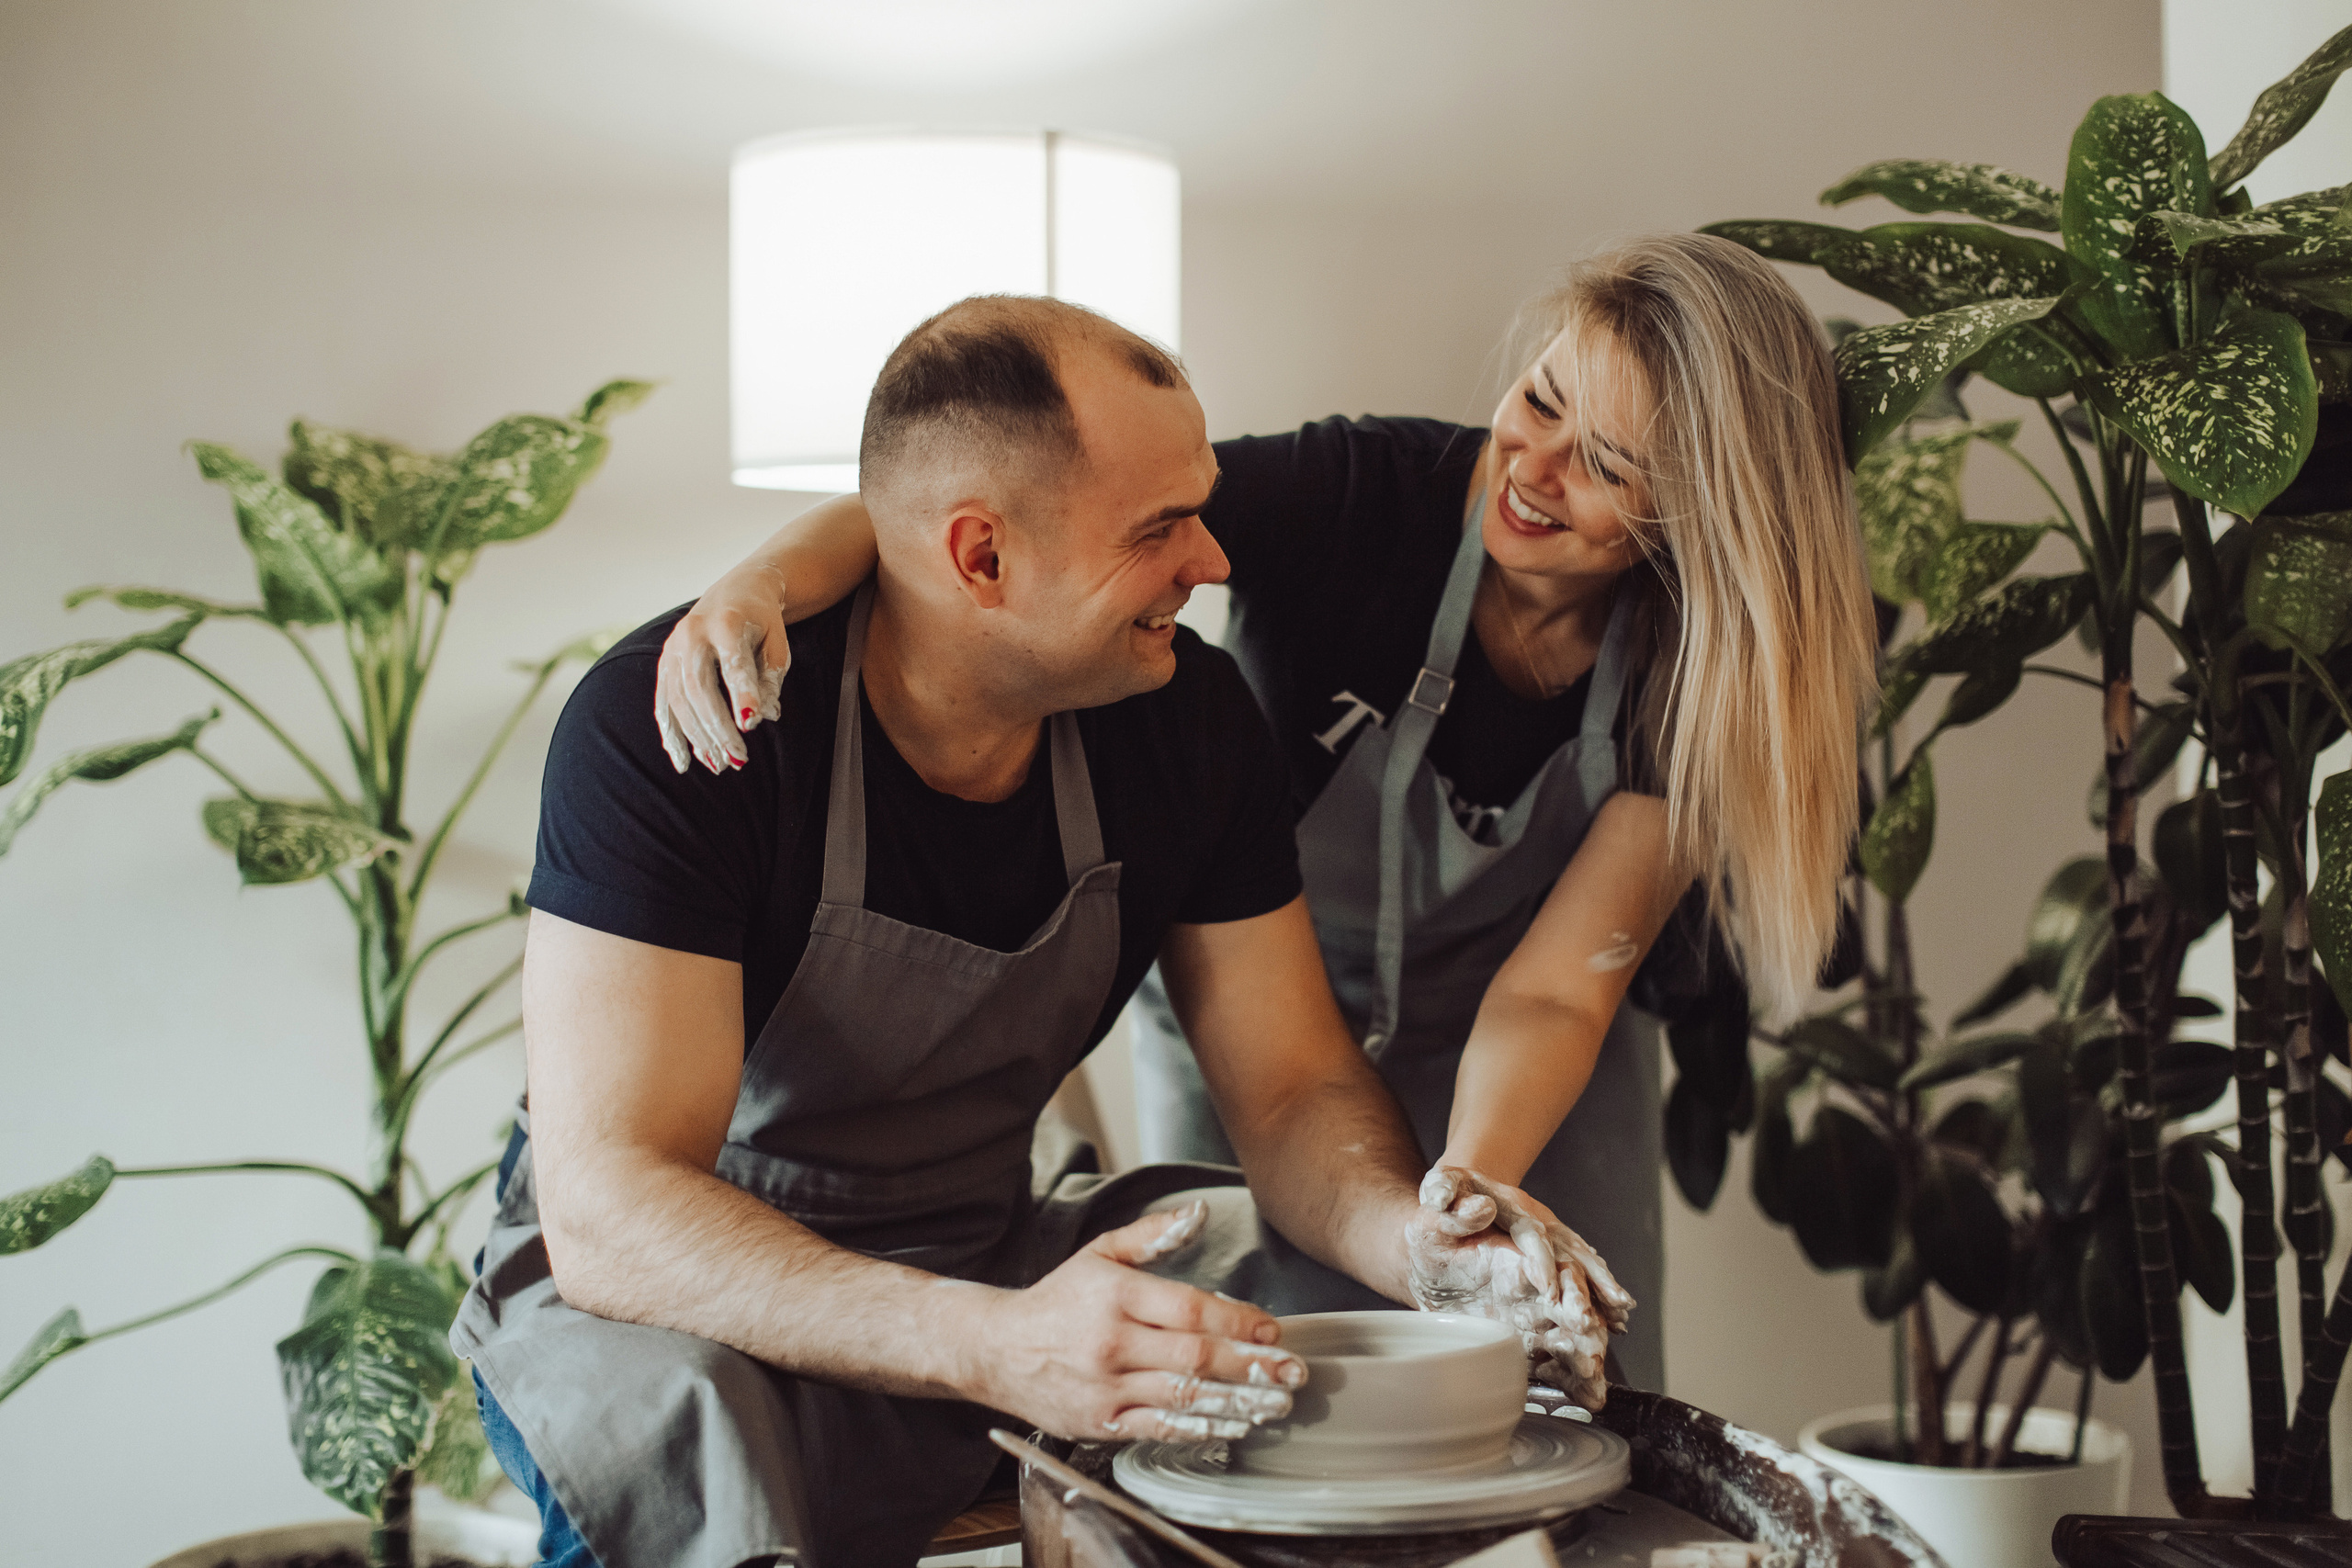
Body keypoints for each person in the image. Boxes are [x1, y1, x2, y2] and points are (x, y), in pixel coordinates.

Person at [456, 296, 1631, 1568]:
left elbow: (1293, 1090)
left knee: (1301, 1289)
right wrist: (989, 1343)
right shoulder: (688, 725)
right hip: (683, 1298)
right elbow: (614, 1211)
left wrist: (1423, 1249)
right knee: (681, 1423)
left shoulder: (1185, 717)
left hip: (986, 1238)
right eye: (1161, 529)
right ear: (981, 560)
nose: (1214, 563)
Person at [651, 234, 1881, 1395]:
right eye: (1542, 401)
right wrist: (761, 583)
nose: (1535, 469)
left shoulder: (1697, 661)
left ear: (1706, 512)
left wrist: (1463, 1198)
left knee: (1564, 1377)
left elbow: (1561, 988)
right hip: (1267, 1023)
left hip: (1535, 1049)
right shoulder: (1362, 492)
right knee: (1273, 1384)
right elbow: (982, 521)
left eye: (1608, 464)